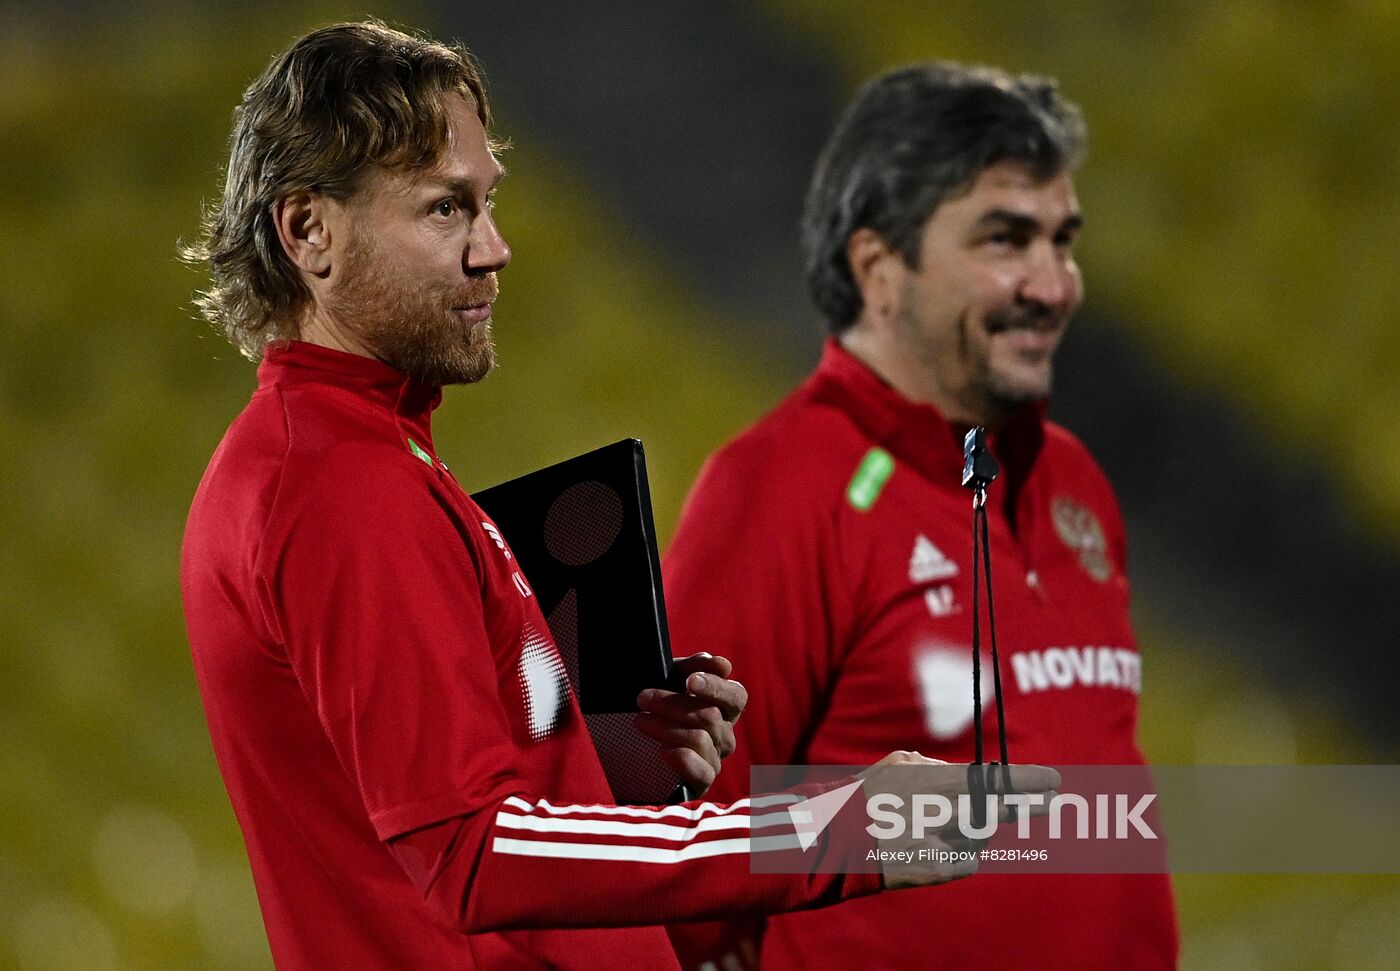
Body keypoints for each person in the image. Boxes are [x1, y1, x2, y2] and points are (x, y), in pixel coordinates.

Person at [179, 25, 1058, 970]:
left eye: (487, 203)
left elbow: (437, 798)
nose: (494, 249)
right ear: (308, 229)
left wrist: (611, 753)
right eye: (444, 210)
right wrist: (841, 826)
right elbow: (472, 854)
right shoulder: (337, 488)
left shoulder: (353, 457)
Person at [663, 63, 1179, 969]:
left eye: (1062, 242)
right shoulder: (777, 492)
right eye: (1005, 240)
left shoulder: (1071, 479)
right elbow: (681, 868)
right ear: (879, 267)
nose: (1055, 285)